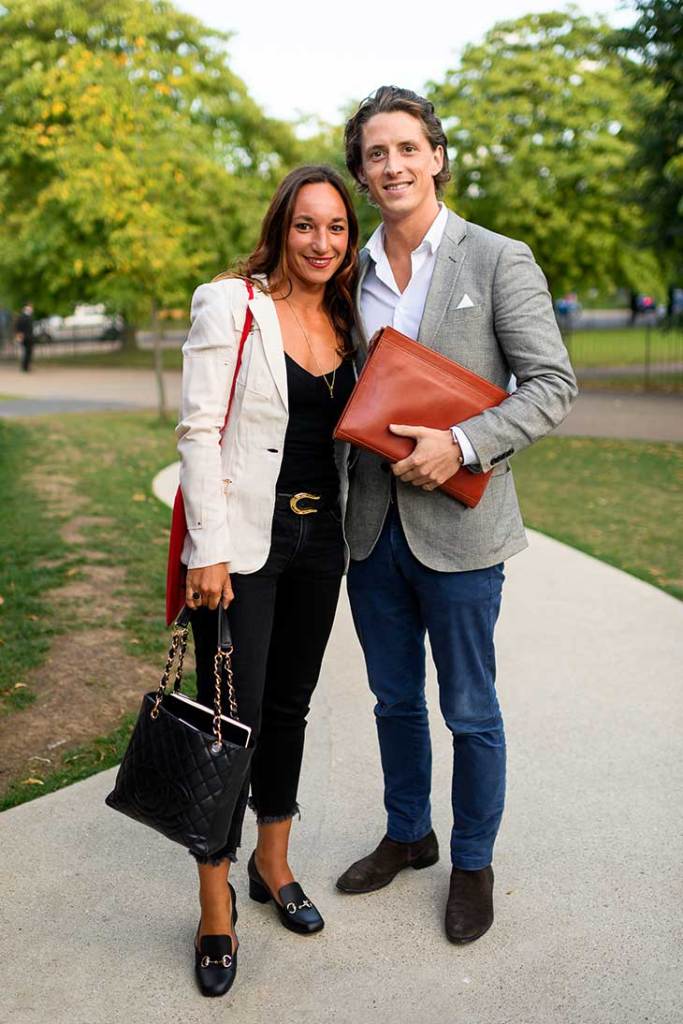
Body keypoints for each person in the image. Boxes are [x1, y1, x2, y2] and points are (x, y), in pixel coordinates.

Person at [336, 87, 578, 944]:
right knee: (392, 702)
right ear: (361, 174)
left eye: (407, 148)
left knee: (469, 709)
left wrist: (465, 444)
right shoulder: (349, 271)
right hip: (368, 531)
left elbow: (552, 386)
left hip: (464, 535)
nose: (392, 165)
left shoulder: (497, 258)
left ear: (436, 155)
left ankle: (472, 860)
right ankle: (410, 835)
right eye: (375, 154)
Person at [176, 165, 358, 996]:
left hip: (324, 542)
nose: (321, 243)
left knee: (289, 705)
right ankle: (215, 905)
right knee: (230, 718)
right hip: (245, 542)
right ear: (280, 226)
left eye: (336, 229)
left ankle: (271, 865)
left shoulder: (350, 316)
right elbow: (199, 427)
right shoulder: (232, 303)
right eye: (305, 226)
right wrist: (207, 548)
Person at [14, 304, 34, 372]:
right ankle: (24, 367)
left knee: (27, 353)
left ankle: (26, 367)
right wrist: (19, 337)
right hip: (25, 338)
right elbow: (18, 328)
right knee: (25, 353)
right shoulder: (22, 317)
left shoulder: (27, 317)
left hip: (28, 337)